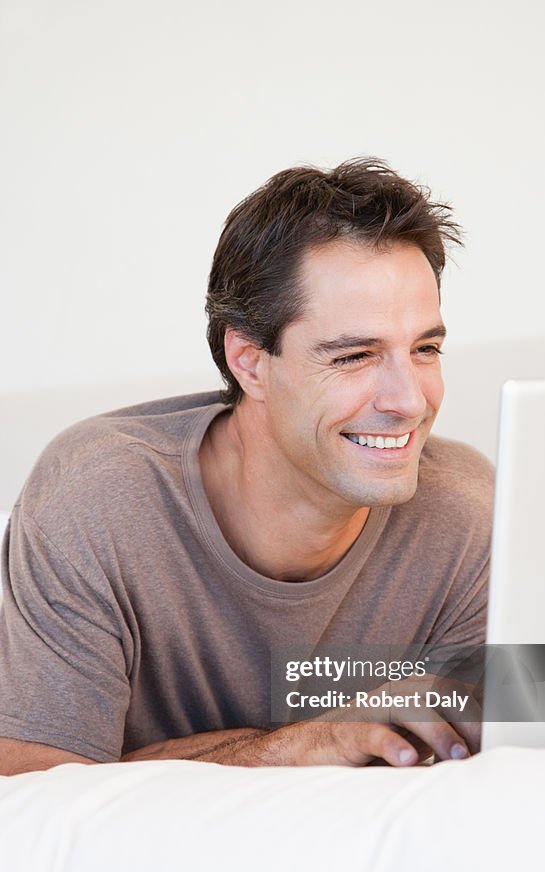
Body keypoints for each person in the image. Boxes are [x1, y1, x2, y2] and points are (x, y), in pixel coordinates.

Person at [0, 158, 494, 775]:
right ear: (250, 362)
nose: (410, 401)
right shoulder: (98, 501)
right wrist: (294, 747)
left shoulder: (466, 515)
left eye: (425, 349)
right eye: (354, 356)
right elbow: (29, 784)